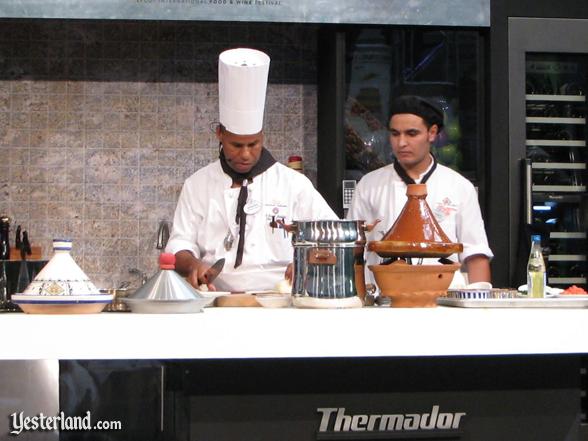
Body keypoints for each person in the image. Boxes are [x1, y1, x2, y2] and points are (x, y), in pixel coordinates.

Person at [166, 48, 337, 292]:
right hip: (217, 298)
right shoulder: (198, 184)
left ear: (262, 137)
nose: (245, 154)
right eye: (236, 145)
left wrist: (308, 258)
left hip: (282, 299)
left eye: (253, 144)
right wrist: (193, 264)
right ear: (220, 135)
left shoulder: (293, 184)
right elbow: (180, 243)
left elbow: (333, 235)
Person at [347, 95, 493, 284]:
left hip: (444, 301)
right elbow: (351, 251)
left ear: (432, 133)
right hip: (383, 302)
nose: (401, 143)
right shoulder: (369, 185)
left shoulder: (459, 187)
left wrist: (480, 306)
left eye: (411, 133)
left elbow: (476, 255)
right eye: (395, 133)